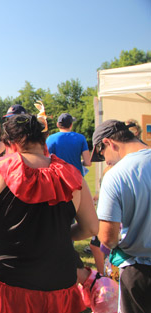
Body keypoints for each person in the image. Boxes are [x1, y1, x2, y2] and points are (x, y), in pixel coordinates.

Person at [0, 113, 98, 313]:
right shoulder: (72, 174)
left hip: (4, 278)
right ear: (43, 140)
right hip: (57, 278)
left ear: (12, 143)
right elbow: (91, 227)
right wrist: (59, 234)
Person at [90, 119, 151, 313]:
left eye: (103, 154)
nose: (106, 161)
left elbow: (107, 237)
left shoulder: (116, 175)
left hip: (139, 271)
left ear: (109, 143)